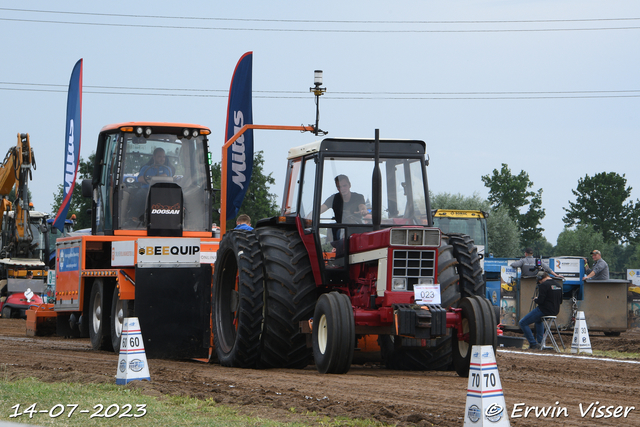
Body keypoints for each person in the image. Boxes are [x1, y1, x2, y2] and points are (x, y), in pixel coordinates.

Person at [518, 272, 563, 350]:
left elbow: (541, 301)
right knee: (538, 321)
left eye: (539, 281)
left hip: (544, 310)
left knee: (522, 323)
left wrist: (536, 299)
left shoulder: (544, 285)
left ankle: (533, 343)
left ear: (540, 279)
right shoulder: (558, 285)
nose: (539, 283)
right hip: (555, 311)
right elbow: (561, 301)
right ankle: (541, 343)